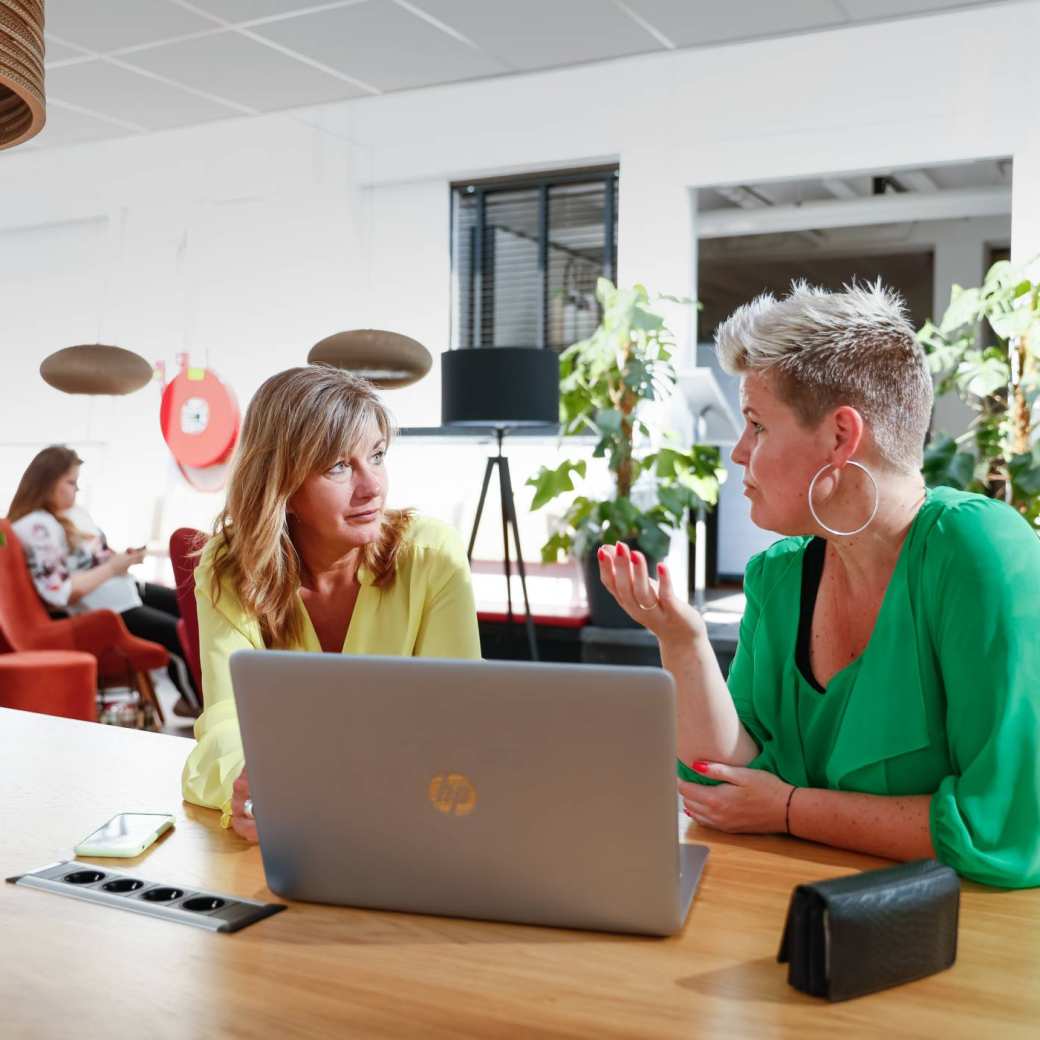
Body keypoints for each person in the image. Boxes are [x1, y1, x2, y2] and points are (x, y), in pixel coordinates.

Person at [598, 281, 1040, 888]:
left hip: (964, 939)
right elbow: (721, 790)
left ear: (840, 437)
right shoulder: (777, 576)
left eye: (756, 424)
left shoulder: (980, 551)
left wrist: (788, 809)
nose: (738, 452)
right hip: (791, 914)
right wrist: (682, 642)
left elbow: (1005, 828)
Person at [181, 366, 481, 841]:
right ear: (283, 485)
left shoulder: (434, 556)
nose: (373, 486)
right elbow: (225, 718)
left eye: (377, 456)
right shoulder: (228, 567)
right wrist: (248, 781)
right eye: (339, 466)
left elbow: (460, 719)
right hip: (297, 828)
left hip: (413, 822)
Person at [8, 445, 201, 718]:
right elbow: (61, 593)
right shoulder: (37, 526)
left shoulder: (66, 516)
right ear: (48, 482)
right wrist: (113, 567)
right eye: (71, 483)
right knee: (176, 631)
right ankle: (201, 704)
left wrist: (122, 561)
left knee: (188, 604)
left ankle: (199, 698)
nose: (76, 490)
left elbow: (93, 560)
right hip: (102, 606)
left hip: (120, 591)